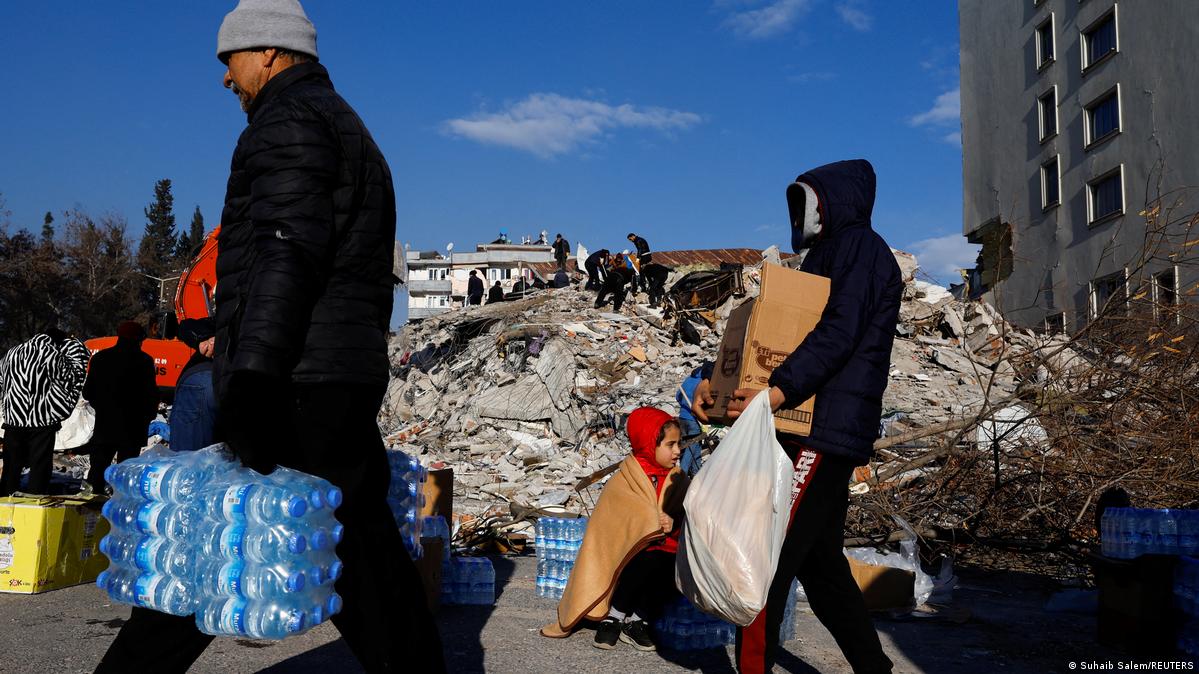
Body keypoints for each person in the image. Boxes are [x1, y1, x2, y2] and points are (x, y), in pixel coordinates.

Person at [96, 2, 446, 672]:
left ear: (268, 53)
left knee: (219, 537)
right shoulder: (340, 123)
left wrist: (252, 375)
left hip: (296, 378)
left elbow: (286, 254)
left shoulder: (288, 122)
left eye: (229, 60)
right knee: (358, 552)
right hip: (332, 372)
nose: (226, 78)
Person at [692, 159, 898, 674]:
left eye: (806, 202)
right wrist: (710, 381)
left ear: (831, 203)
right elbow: (777, 339)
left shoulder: (862, 251)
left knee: (767, 560)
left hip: (824, 430)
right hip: (811, 424)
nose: (799, 213)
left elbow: (836, 334)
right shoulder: (825, 256)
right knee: (821, 566)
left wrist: (776, 393)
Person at [541, 407, 687, 652]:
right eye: (670, 444)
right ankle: (615, 615)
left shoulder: (679, 479)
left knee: (666, 561)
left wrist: (673, 523)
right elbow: (609, 532)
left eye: (678, 444)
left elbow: (689, 519)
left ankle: (637, 619)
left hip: (666, 556)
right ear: (649, 444)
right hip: (628, 562)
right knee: (645, 557)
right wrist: (649, 524)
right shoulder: (626, 480)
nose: (677, 451)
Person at [0, 329, 89, 496]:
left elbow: (1, 380)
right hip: (41, 422)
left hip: (13, 421)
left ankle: (5, 502)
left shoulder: (13, 352)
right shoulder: (52, 353)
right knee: (39, 466)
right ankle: (34, 501)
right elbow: (71, 378)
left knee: (11, 467)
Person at [83, 321, 158, 494]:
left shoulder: (100, 358)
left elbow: (88, 393)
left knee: (98, 470)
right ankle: (121, 506)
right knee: (126, 475)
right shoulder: (145, 361)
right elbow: (151, 395)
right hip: (133, 428)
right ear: (139, 340)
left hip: (105, 425)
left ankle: (92, 506)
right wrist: (146, 416)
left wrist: (103, 407)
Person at [170, 318, 217, 452]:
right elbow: (186, 327)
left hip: (204, 381)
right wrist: (204, 338)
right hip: (210, 379)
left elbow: (186, 326)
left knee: (187, 459)